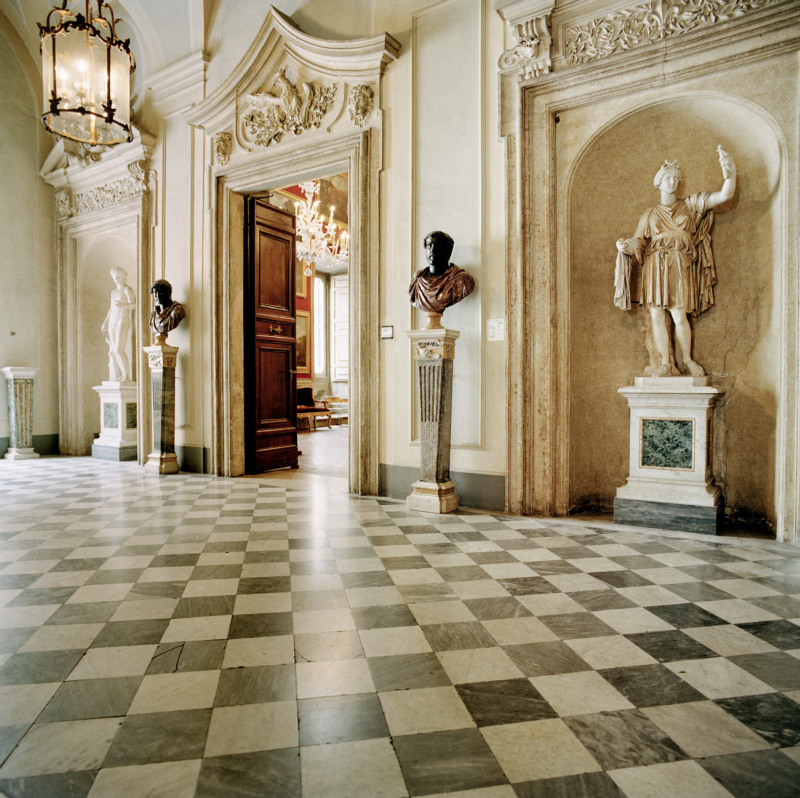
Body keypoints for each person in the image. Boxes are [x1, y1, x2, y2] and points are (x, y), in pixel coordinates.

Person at [616, 146, 736, 377]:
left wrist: (730, 175)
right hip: (654, 266)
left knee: (679, 316)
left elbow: (724, 195)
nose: (672, 182)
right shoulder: (649, 214)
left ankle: (687, 360)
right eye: (667, 178)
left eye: (675, 178)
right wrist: (625, 247)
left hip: (679, 265)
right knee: (656, 315)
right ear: (658, 183)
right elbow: (638, 242)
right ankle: (665, 364)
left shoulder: (690, 205)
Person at [408, 231, 475, 317]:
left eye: (438, 246)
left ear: (448, 251)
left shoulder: (462, 280)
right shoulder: (417, 282)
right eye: (429, 245)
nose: (432, 250)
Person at [101, 267, 136, 382]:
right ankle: (122, 375)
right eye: (114, 276)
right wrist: (106, 321)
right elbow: (111, 308)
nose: (116, 278)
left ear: (123, 276)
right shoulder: (114, 292)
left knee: (119, 349)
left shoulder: (127, 289)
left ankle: (127, 376)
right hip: (112, 320)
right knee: (115, 350)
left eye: (118, 276)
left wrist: (123, 305)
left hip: (122, 319)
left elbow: (134, 305)